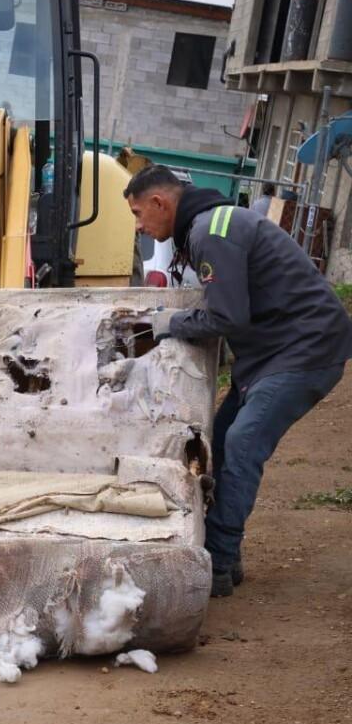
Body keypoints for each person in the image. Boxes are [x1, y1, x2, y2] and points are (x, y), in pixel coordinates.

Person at [124, 165, 352, 597]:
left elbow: (226, 316)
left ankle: (219, 562)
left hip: (305, 350)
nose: (139, 225)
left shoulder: (212, 230)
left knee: (245, 442)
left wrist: (165, 323)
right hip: (272, 353)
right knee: (223, 439)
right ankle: (228, 555)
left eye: (138, 213)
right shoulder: (209, 224)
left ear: (160, 202)